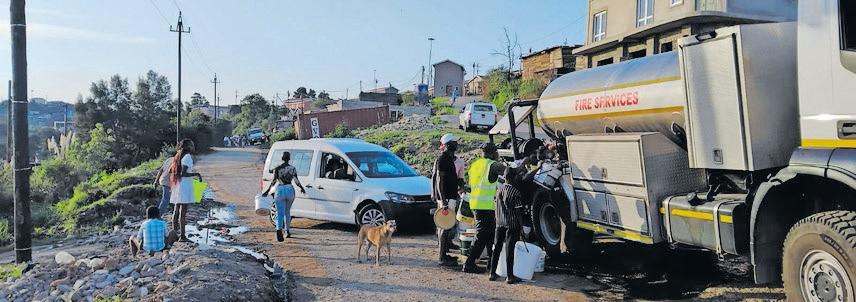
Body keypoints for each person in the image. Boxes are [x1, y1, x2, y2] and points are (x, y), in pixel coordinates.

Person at [489, 166, 537, 284]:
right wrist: (520, 226)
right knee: (509, 250)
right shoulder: (515, 192)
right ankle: (510, 276)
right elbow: (518, 212)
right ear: (514, 177)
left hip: (499, 224)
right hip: (511, 225)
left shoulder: (499, 190)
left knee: (497, 248)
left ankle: (492, 272)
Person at [462, 143, 505, 274]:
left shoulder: (475, 165)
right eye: (496, 152)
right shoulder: (492, 164)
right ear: (493, 153)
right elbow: (507, 170)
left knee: (490, 234)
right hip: (485, 206)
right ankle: (469, 264)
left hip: (476, 204)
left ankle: (492, 264)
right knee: (481, 236)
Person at [432, 133, 465, 267]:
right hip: (446, 198)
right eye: (454, 143)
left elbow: (456, 179)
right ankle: (441, 258)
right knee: (444, 227)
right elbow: (439, 180)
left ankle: (444, 254)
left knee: (446, 226)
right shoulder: (443, 159)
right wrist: (444, 200)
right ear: (448, 145)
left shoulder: (450, 159)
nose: (457, 145)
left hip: (450, 196)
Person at [262, 151, 307, 241]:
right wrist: (302, 188)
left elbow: (274, 182)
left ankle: (279, 230)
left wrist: (267, 191)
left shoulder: (277, 169)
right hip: (290, 189)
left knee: (280, 212)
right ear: (289, 158)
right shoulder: (292, 168)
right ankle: (287, 231)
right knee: (287, 212)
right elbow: (296, 181)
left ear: (282, 158)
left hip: (280, 189)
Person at [169, 138, 203, 242]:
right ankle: (182, 236)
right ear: (188, 146)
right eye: (192, 145)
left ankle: (174, 233)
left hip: (178, 184)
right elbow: (183, 173)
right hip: (184, 185)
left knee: (176, 210)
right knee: (183, 212)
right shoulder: (187, 156)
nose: (193, 146)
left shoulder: (178, 155)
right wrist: (197, 174)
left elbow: (173, 171)